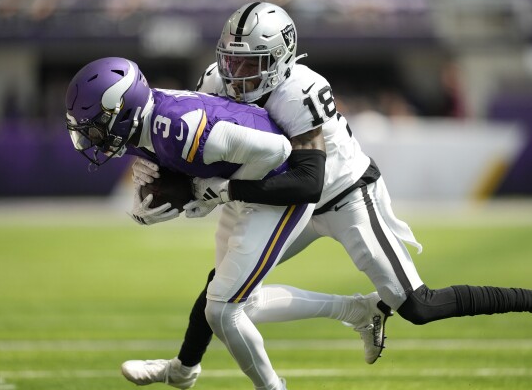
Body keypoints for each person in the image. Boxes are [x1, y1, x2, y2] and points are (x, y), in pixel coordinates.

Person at [123, 1, 532, 390]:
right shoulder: (215, 78)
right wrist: (163, 170)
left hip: (343, 194)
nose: (235, 72)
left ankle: (527, 299)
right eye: (231, 59)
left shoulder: (299, 91)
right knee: (225, 292)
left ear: (281, 59)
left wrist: (219, 190)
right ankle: (183, 370)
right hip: (282, 199)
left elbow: (308, 182)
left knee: (418, 306)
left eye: (250, 62)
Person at [65, 56, 388, 390]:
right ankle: (357, 311)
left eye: (97, 126)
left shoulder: (179, 127)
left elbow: (278, 150)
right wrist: (155, 181)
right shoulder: (143, 121)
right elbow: (167, 158)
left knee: (222, 307)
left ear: (124, 110)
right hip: (242, 184)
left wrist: (215, 193)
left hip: (278, 189)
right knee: (238, 299)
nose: (94, 137)